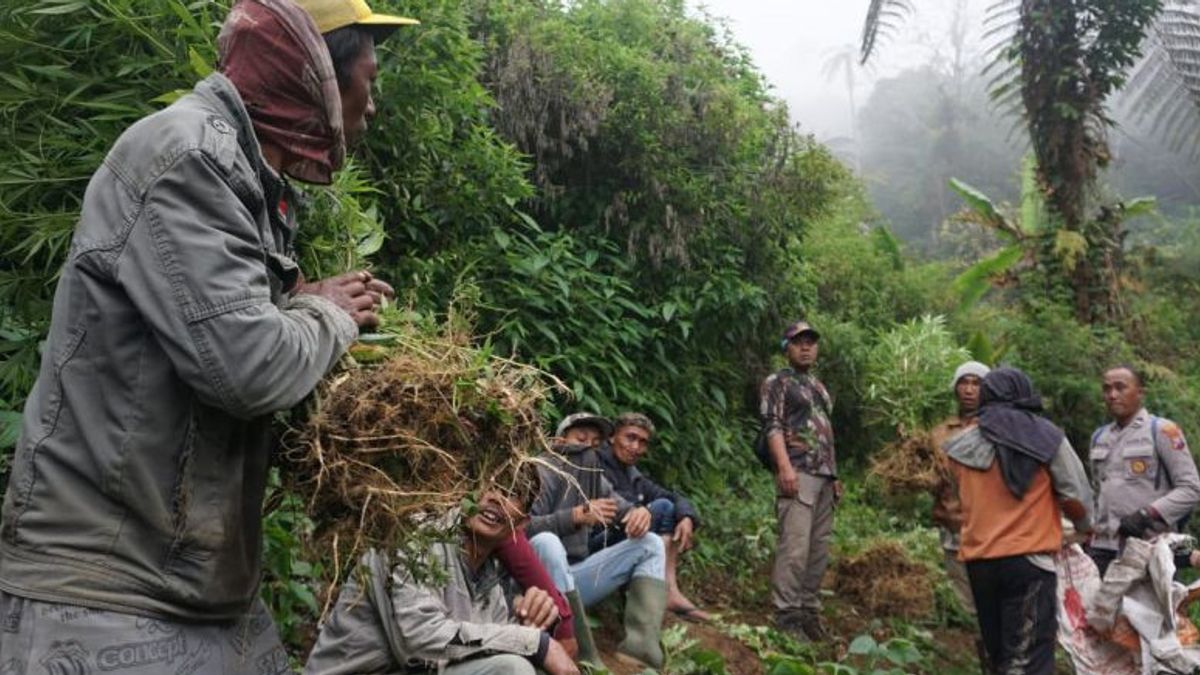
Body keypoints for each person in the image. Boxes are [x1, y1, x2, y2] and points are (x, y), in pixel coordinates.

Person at [0, 1, 408, 671]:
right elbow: (247, 366)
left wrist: (293, 306)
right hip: (108, 591)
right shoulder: (190, 156)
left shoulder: (243, 175)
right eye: (371, 78)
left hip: (195, 591)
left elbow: (219, 330)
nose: (373, 105)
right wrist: (329, 313)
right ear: (314, 78)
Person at [304, 468, 580, 675]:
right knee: (512, 670)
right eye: (490, 483)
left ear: (521, 523)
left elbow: (480, 644)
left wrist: (532, 623)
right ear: (465, 490)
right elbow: (418, 646)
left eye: (512, 493)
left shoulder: (489, 579)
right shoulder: (409, 536)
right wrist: (532, 641)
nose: (495, 497)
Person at [945, 367, 1093, 675]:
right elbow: (1075, 495)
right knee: (1029, 660)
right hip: (1029, 562)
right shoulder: (1046, 437)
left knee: (1000, 654)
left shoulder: (959, 446)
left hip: (979, 561)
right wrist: (1083, 528)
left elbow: (957, 499)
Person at [527, 414, 667, 668]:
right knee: (548, 541)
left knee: (651, 544)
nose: (587, 447)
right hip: (534, 588)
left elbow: (622, 508)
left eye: (594, 443)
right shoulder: (542, 469)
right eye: (580, 439)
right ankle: (582, 657)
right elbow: (520, 529)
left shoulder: (592, 476)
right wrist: (576, 516)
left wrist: (641, 513)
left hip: (574, 581)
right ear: (559, 440)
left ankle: (641, 651)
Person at [759, 320, 838, 641]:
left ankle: (808, 613)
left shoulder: (818, 386)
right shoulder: (777, 382)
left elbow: (826, 433)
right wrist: (784, 467)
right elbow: (772, 425)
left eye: (810, 342)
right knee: (795, 545)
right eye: (798, 342)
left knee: (818, 549)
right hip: (799, 471)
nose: (806, 347)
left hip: (824, 475)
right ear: (786, 348)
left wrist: (836, 475)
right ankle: (787, 615)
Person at [595, 412, 709, 622]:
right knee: (663, 507)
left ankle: (666, 589)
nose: (636, 447)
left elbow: (674, 497)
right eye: (630, 437)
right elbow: (614, 506)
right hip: (594, 543)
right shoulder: (593, 462)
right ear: (612, 437)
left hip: (621, 538)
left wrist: (686, 516)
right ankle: (665, 592)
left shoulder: (633, 475)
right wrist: (641, 510)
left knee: (672, 508)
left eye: (642, 442)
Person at [1087, 364, 1200, 577]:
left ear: (1140, 393)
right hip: (1103, 547)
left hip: (1149, 546)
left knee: (1148, 611)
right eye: (1107, 389)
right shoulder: (1099, 437)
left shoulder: (1162, 430)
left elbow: (1191, 488)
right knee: (1098, 609)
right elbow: (1096, 493)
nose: (1112, 395)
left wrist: (1147, 514)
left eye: (1120, 388)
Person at [930, 361, 990, 616]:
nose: (968, 389)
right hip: (953, 525)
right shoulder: (940, 433)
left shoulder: (995, 429)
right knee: (964, 601)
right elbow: (931, 478)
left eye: (976, 383)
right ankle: (977, 651)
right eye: (963, 383)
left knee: (991, 596)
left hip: (990, 528)